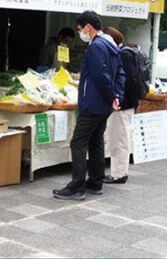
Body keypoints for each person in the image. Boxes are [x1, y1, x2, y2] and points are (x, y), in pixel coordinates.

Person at [53, 11, 125, 200]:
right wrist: (115, 96)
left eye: (80, 29)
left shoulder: (96, 47)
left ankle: (77, 187)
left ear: (88, 27)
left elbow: (101, 76)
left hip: (93, 102)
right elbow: (119, 74)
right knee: (95, 141)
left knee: (78, 142)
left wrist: (111, 95)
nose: (80, 33)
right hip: (103, 104)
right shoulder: (111, 45)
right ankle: (95, 182)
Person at [102, 26, 142, 184]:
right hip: (124, 103)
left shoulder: (123, 54)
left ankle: (119, 174)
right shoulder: (124, 53)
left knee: (119, 139)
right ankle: (118, 171)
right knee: (118, 137)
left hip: (122, 104)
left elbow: (128, 81)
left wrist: (119, 98)